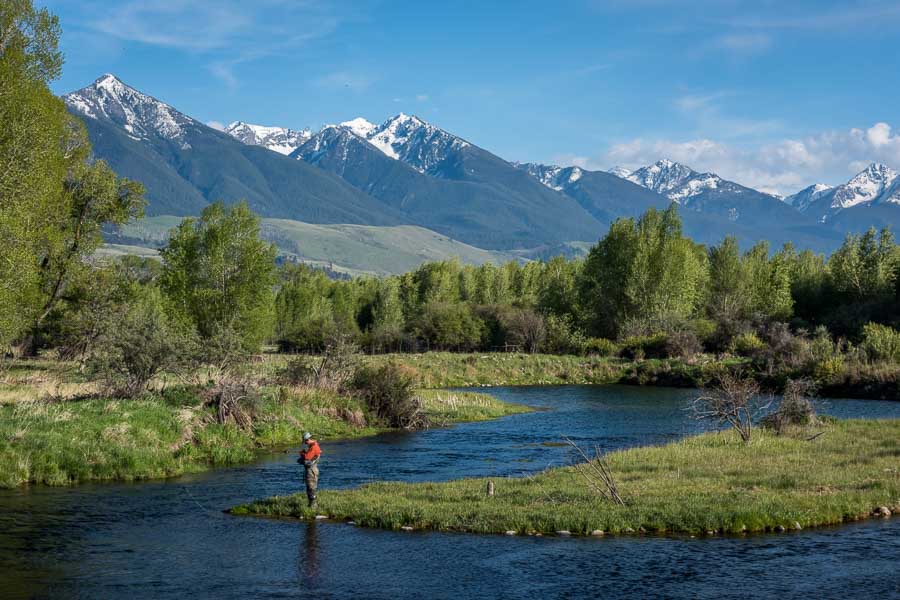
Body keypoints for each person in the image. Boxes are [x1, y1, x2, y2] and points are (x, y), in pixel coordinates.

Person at [298, 432, 321, 508]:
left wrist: (302, 454)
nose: (305, 443)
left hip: (311, 470)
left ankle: (313, 506)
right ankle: (311, 505)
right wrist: (304, 454)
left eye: (305, 442)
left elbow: (307, 459)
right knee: (310, 487)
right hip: (312, 470)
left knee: (311, 487)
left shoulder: (313, 447)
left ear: (307, 440)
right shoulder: (313, 446)